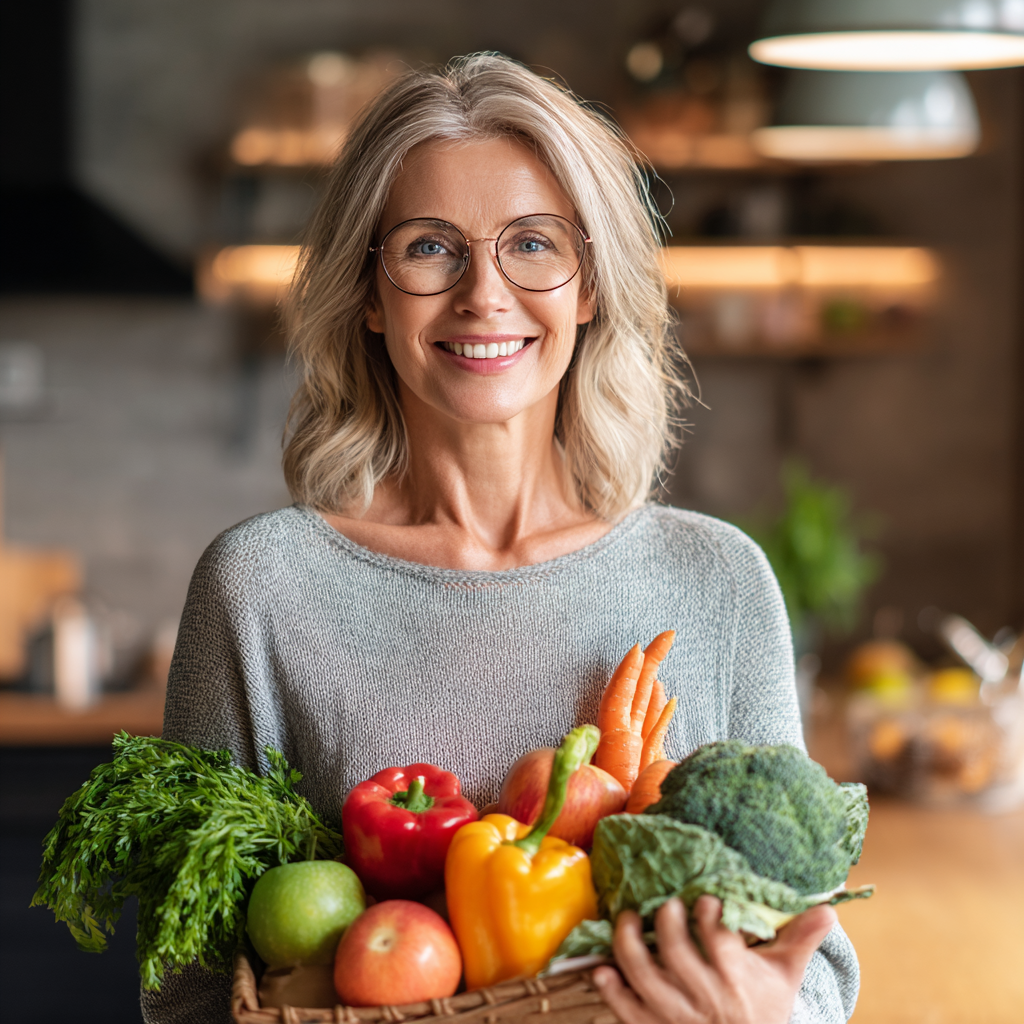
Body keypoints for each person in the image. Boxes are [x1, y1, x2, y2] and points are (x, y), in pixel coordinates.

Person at [145, 54, 858, 1024]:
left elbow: (817, 963)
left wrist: (766, 1011)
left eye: (532, 245)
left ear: (590, 287)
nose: (484, 294)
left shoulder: (718, 578)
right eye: (431, 247)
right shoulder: (262, 585)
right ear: (367, 292)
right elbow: (184, 988)